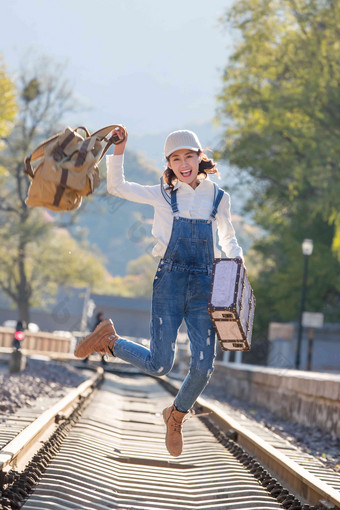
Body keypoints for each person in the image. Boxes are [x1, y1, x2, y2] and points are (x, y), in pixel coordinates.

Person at [74, 128, 244, 456]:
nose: (183, 164)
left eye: (188, 156)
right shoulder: (164, 195)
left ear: (199, 157)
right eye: (175, 158)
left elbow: (229, 239)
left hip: (205, 287)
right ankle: (109, 341)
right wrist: (119, 150)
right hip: (170, 281)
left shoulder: (219, 198)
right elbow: (118, 187)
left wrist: (236, 264)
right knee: (159, 365)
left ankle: (175, 415)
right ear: (169, 163)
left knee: (204, 365)